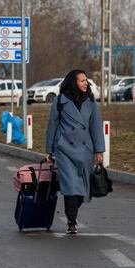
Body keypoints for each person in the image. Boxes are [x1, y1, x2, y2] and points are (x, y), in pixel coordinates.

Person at [45, 69, 105, 234]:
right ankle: (71, 221)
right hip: (65, 150)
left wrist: (99, 150)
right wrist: (49, 150)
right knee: (71, 185)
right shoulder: (59, 101)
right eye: (82, 81)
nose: (86, 83)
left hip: (85, 150)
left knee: (82, 188)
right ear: (73, 83)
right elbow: (52, 127)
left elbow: (96, 127)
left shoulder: (91, 101)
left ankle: (72, 213)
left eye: (86, 80)